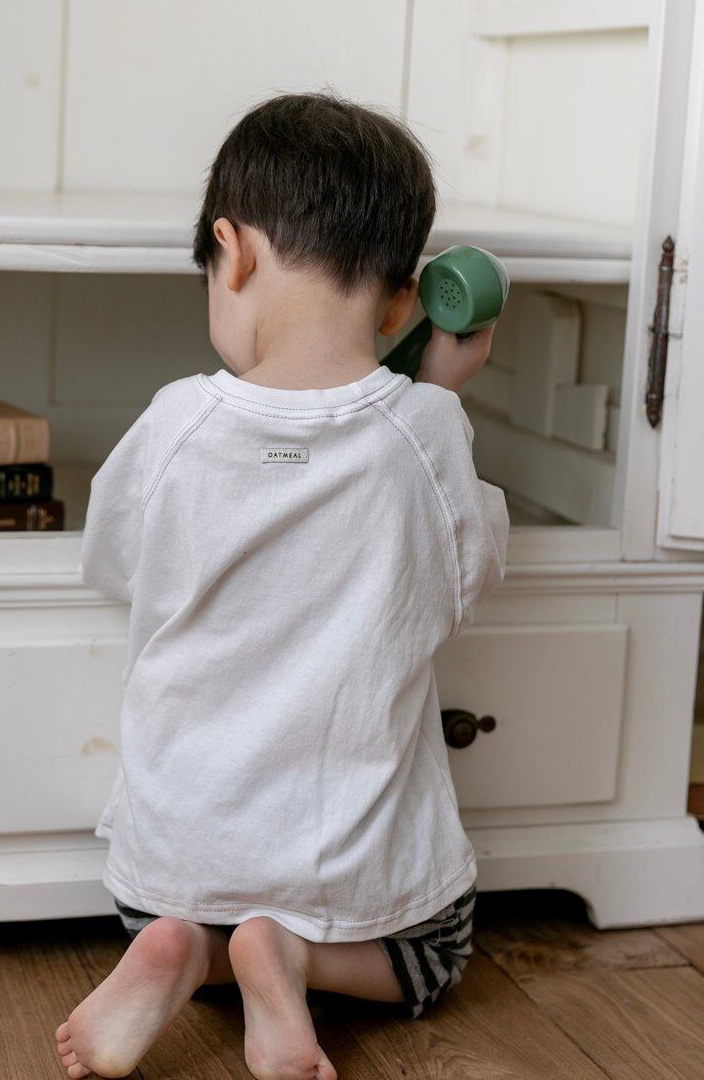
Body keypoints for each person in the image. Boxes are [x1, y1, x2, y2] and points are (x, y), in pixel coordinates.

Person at [56, 92, 509, 1080]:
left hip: (176, 862)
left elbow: (112, 559)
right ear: (404, 301)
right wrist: (437, 389)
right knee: (437, 951)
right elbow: (468, 577)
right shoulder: (424, 433)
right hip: (356, 866)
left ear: (233, 252)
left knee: (161, 905)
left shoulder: (173, 423)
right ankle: (293, 956)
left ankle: (187, 950)